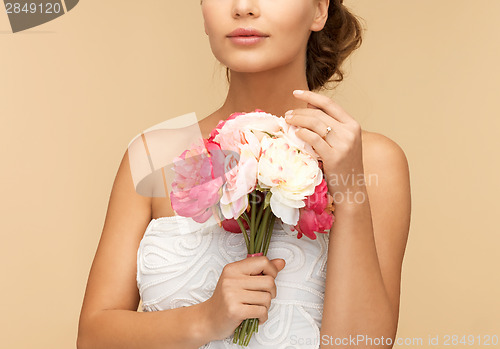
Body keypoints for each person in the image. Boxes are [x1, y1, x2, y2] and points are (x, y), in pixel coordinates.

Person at [77, 0, 411, 348]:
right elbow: (92, 338)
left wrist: (349, 194)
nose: (243, 7)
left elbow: (362, 345)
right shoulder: (151, 156)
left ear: (319, 11)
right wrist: (204, 320)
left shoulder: (372, 163)